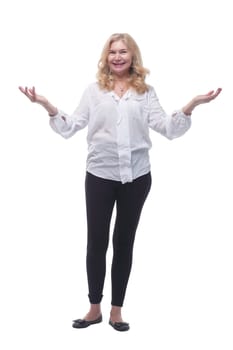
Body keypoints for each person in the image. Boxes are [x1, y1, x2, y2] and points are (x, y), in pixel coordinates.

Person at [19, 33, 222, 332]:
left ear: (132, 57)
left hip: (137, 178)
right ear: (106, 56)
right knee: (96, 242)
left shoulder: (146, 92)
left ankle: (116, 311)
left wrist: (192, 105)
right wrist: (46, 105)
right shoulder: (93, 92)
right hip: (99, 176)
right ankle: (93, 309)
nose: (117, 57)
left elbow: (167, 128)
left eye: (123, 52)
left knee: (124, 242)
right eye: (112, 52)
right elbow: (71, 126)